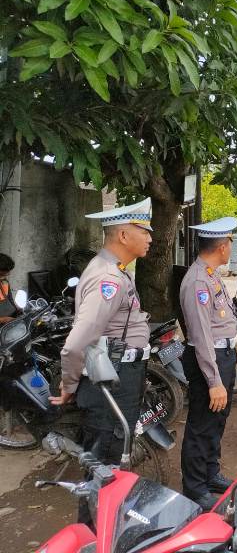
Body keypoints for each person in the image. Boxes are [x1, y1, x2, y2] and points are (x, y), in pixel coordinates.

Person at [49, 199, 153, 467]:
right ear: (123, 235)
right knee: (106, 461)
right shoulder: (108, 278)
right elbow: (76, 343)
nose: (150, 238)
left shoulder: (116, 271)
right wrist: (69, 384)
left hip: (119, 372)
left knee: (112, 453)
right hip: (113, 377)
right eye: (144, 231)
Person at [179, 216, 237, 511]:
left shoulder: (211, 274)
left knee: (217, 419)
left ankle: (210, 472)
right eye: (229, 242)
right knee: (202, 423)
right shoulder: (198, 281)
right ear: (222, 246)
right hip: (208, 360)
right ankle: (195, 487)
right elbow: (201, 336)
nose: (231, 247)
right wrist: (214, 381)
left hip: (222, 356)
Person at [0, 253, 20, 325]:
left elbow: (10, 299)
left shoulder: (4, 282)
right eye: (2, 274)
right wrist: (2, 320)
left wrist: (17, 308)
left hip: (12, 318)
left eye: (7, 273)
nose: (7, 275)